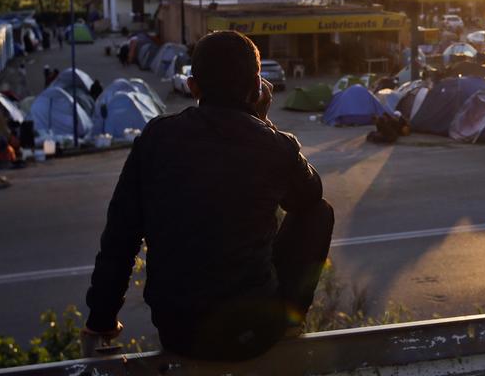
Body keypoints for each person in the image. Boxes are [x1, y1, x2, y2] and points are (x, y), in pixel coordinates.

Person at [82, 30, 334, 361]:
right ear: (258, 88)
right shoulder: (274, 146)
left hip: (179, 334)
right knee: (320, 211)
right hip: (255, 334)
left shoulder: (157, 139)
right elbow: (309, 197)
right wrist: (263, 122)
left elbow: (120, 237)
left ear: (192, 86)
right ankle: (289, 322)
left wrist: (101, 321)